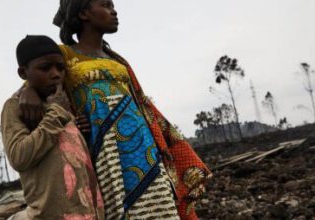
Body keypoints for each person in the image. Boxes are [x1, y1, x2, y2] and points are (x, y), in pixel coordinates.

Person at [20, 0, 213, 219]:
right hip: (103, 148)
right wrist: (28, 91)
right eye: (105, 5)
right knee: (117, 208)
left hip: (144, 146)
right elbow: (42, 78)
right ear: (84, 13)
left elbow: (140, 102)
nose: (114, 10)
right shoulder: (65, 55)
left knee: (159, 204)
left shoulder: (117, 60)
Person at [1, 35, 104, 220]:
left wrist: (82, 134)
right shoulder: (15, 106)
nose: (56, 74)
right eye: (45, 68)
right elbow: (19, 157)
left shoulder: (63, 105)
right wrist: (57, 112)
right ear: (23, 73)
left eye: (60, 67)